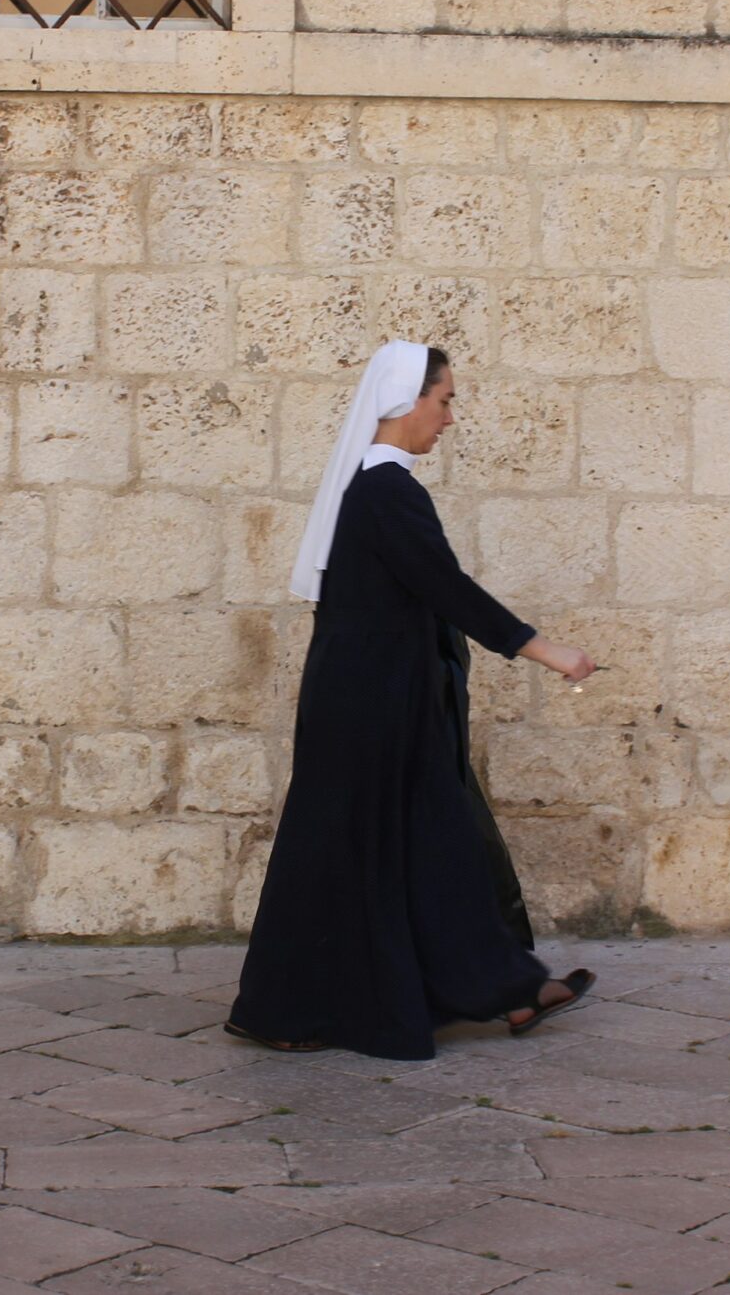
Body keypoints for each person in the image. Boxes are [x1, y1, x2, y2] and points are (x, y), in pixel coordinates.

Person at [226, 340, 600, 1061]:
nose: (450, 417)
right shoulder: (386, 491)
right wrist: (548, 651)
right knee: (374, 847)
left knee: (414, 846)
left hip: (379, 701)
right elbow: (448, 589)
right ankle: (283, 1005)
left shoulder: (375, 489)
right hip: (373, 709)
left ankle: (506, 989)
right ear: (407, 401)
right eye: (445, 399)